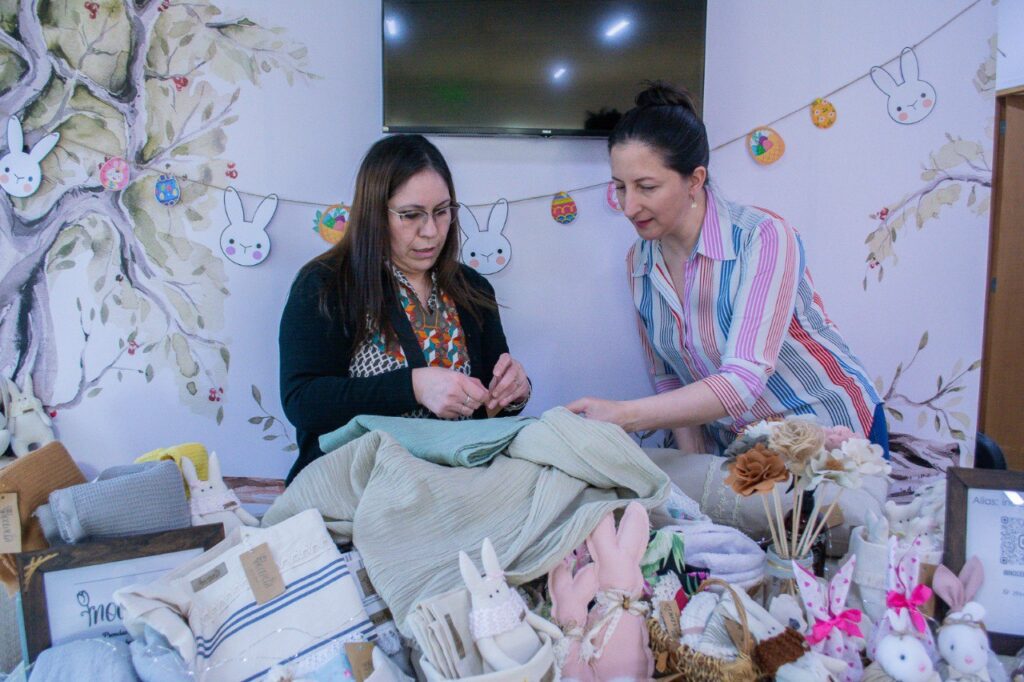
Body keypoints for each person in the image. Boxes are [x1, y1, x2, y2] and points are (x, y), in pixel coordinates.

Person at [568, 82, 886, 457]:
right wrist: (695, 464)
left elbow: (744, 380)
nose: (629, 206)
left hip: (827, 433)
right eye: (620, 187)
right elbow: (669, 376)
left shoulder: (762, 237)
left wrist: (625, 415)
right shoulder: (639, 262)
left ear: (695, 180)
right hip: (744, 449)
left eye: (647, 187)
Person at [279, 135, 531, 483]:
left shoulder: (472, 288)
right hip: (359, 482)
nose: (431, 231)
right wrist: (413, 387)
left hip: (454, 479)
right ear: (374, 213)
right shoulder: (325, 285)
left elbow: (490, 410)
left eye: (442, 212)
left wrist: (514, 391)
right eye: (411, 215)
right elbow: (303, 402)